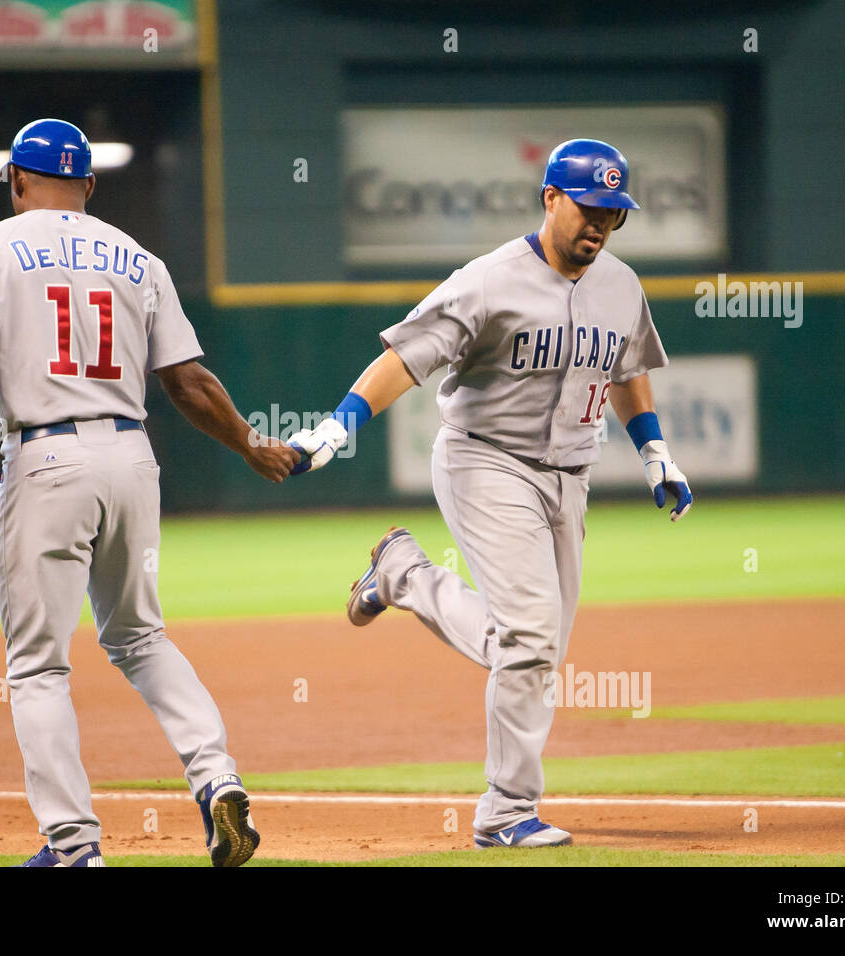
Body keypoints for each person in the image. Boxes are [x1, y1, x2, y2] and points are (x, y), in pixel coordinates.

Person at [287, 139, 692, 849]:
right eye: (589, 208)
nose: (599, 224)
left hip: (571, 476)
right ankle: (506, 811)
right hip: (487, 462)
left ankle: (403, 574)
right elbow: (404, 357)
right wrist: (337, 426)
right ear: (551, 199)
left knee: (534, 652)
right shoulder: (487, 281)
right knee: (531, 642)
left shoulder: (622, 286)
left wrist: (654, 448)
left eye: (613, 213)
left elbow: (627, 367)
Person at [0, 118, 298, 867]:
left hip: (46, 458)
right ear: (89, 185)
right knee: (140, 636)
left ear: (15, 182)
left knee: (36, 667)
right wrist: (252, 445)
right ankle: (216, 777)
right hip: (132, 458)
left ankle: (72, 845)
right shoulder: (137, 257)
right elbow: (189, 383)